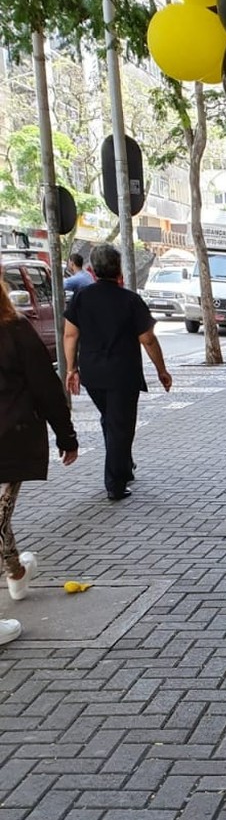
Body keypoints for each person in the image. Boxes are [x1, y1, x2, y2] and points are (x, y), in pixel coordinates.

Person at [1, 275, 79, 647]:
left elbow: (45, 386)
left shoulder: (15, 329)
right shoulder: (15, 329)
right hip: (10, 437)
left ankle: (17, 573)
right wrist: (66, 435)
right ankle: (16, 572)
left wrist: (66, 435)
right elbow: (45, 386)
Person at [63, 243, 172, 500]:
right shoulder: (130, 300)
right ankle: (115, 484)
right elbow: (148, 339)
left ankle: (123, 465)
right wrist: (161, 370)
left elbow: (70, 335)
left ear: (93, 269)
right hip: (122, 375)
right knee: (121, 426)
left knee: (111, 420)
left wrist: (71, 369)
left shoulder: (81, 297)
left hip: (93, 374)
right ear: (118, 268)